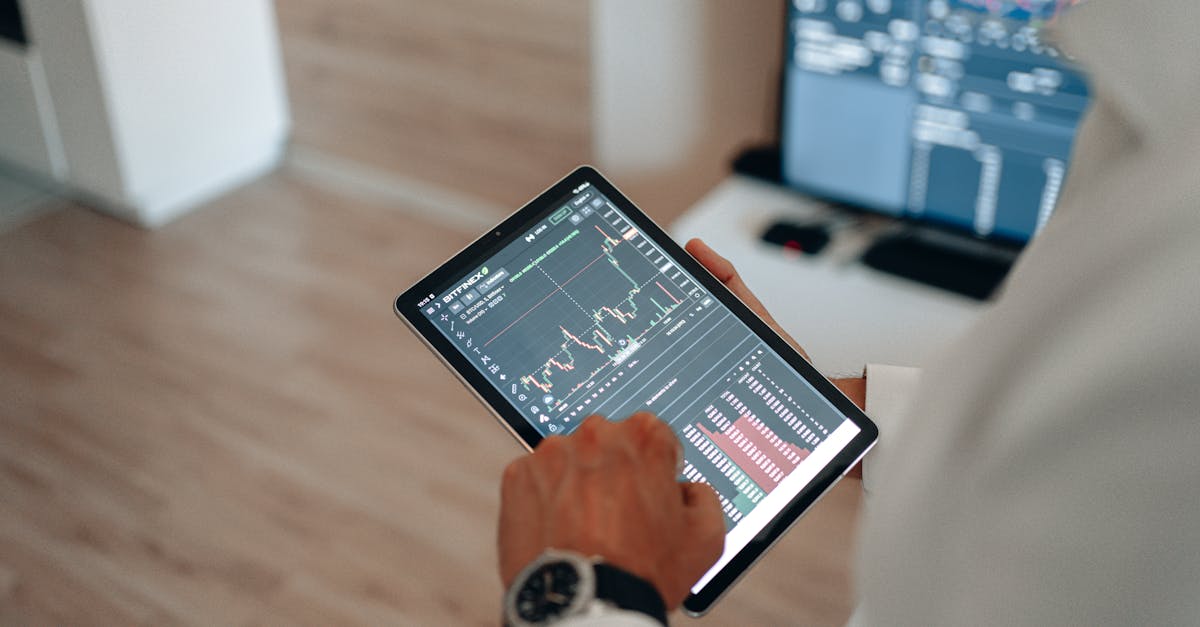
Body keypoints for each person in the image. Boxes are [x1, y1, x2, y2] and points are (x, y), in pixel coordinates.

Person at [498, 0, 1200, 624]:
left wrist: (585, 589)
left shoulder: (1175, 257)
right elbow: (1054, 428)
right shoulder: (1146, 101)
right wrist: (817, 406)